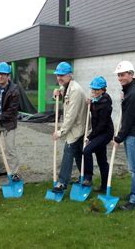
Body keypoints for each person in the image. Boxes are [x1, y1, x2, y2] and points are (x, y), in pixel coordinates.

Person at [113, 60, 135, 210]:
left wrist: (118, 138)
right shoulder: (131, 91)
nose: (120, 78)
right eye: (119, 75)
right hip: (133, 133)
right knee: (133, 168)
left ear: (131, 75)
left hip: (134, 134)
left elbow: (128, 120)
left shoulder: (133, 94)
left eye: (123, 75)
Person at [51, 62, 87, 193]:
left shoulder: (75, 90)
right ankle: (85, 177)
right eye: (58, 75)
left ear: (70, 75)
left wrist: (61, 132)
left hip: (77, 127)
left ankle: (62, 182)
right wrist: (56, 93)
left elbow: (71, 116)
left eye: (62, 75)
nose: (59, 78)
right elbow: (60, 92)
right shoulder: (66, 86)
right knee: (78, 154)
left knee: (69, 151)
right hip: (74, 126)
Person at [82, 76, 114, 193]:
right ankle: (104, 186)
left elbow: (101, 124)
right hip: (98, 132)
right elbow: (94, 114)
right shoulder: (97, 100)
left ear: (103, 90)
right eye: (93, 90)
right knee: (101, 160)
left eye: (96, 90)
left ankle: (88, 177)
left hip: (105, 133)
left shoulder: (105, 103)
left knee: (87, 150)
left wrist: (90, 136)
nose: (94, 92)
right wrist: (90, 105)